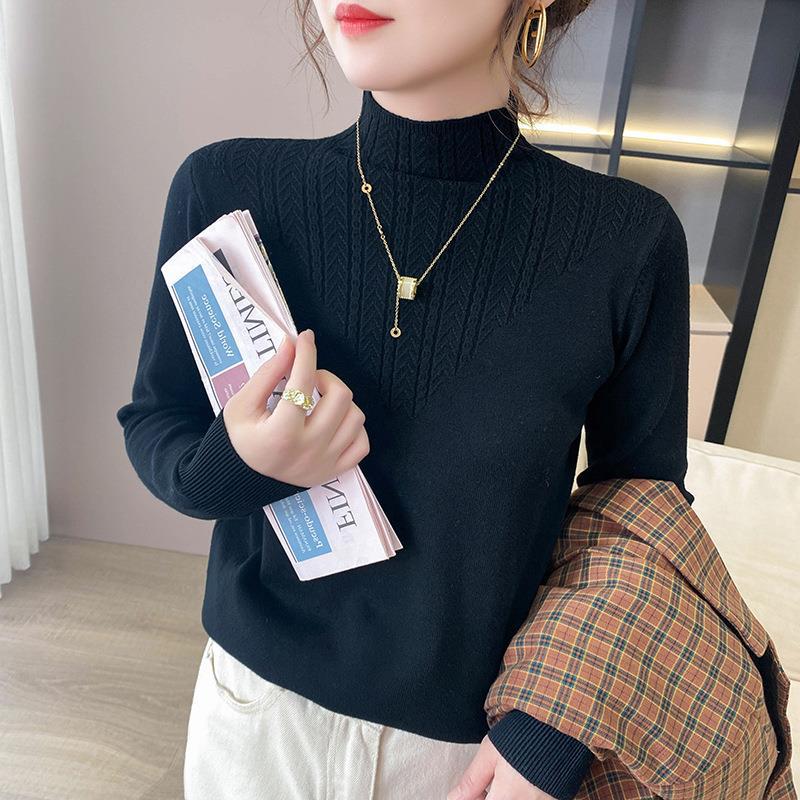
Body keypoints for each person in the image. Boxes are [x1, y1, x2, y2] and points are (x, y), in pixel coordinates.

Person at [115, 1, 696, 798]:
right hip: (251, 720)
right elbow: (157, 420)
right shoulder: (224, 186)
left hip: (475, 758)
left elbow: (640, 514)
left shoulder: (626, 240)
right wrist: (237, 463)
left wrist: (550, 730)